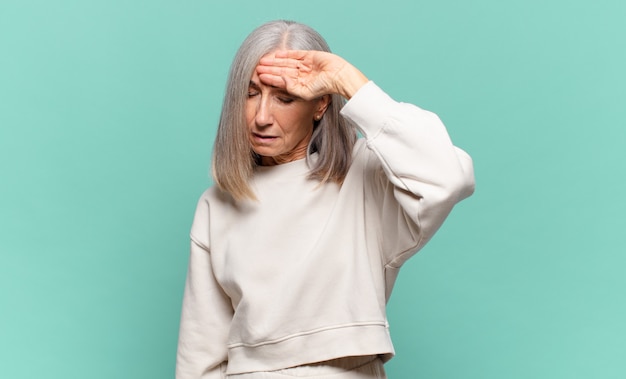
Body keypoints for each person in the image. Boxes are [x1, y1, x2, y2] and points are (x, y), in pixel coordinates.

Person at [176, 20, 475, 379]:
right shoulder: (216, 205)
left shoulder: (366, 176)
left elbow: (449, 175)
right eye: (251, 93)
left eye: (284, 97)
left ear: (320, 105)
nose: (261, 117)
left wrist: (349, 81)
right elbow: (199, 357)